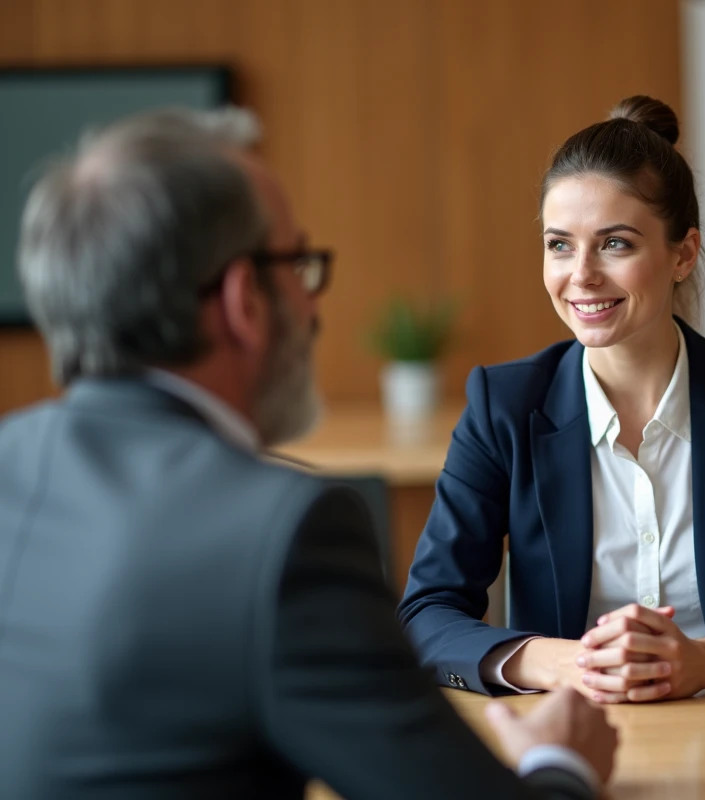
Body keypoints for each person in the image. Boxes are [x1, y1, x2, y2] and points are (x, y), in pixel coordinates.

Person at [0, 107, 617, 799]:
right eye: (299, 265)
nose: (314, 306)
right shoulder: (278, 533)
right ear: (245, 301)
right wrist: (561, 763)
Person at [398, 96, 705, 702]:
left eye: (615, 244)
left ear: (683, 254)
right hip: (570, 726)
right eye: (559, 245)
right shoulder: (505, 407)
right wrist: (567, 665)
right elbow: (426, 615)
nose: (581, 275)